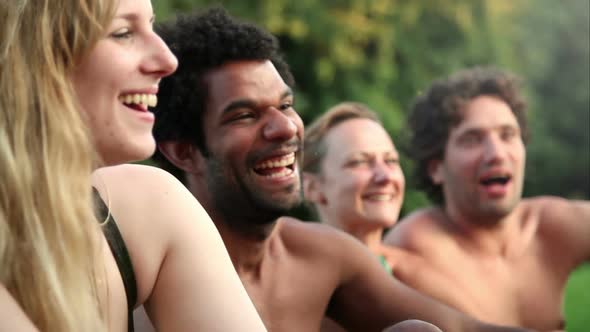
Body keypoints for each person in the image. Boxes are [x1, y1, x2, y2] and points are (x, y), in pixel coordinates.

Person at [150, 7, 533, 332]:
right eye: (245, 115)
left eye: (284, 106)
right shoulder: (154, 275)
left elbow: (462, 327)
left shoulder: (321, 256)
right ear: (184, 151)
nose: (285, 128)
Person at [0, 1, 267, 331]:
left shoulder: (149, 208)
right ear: (24, 60)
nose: (167, 61)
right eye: (123, 33)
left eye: (151, 26)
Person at [383, 67, 590, 331]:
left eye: (508, 135)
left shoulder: (549, 225)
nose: (496, 153)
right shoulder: (409, 251)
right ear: (436, 168)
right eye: (472, 139)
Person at [302, 102, 410, 332]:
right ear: (312, 187)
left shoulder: (417, 268)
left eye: (391, 161)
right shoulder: (301, 290)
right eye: (359, 162)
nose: (384, 176)